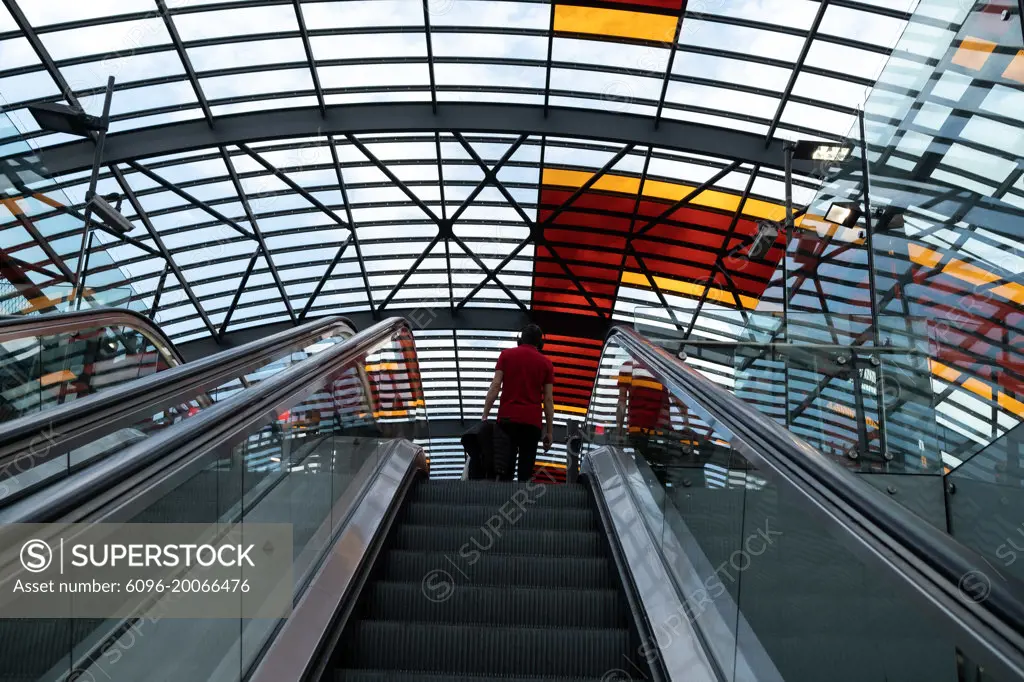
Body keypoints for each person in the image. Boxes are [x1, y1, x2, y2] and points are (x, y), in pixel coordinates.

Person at [482, 324, 555, 481]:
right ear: (540, 344)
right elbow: (548, 400)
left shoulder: (506, 356)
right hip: (532, 424)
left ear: (520, 340)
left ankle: (502, 498)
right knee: (525, 471)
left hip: (507, 421)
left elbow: (495, 386)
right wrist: (549, 431)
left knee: (504, 468)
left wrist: (485, 415)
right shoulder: (546, 364)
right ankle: (520, 501)